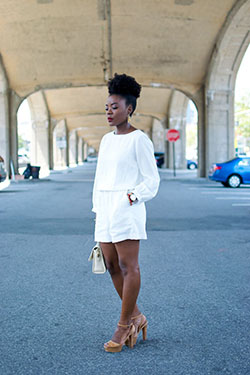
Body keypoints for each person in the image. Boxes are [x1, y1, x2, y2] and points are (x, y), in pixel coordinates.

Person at [92, 73, 160, 353]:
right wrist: (98, 209)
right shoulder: (107, 140)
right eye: (107, 107)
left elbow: (152, 180)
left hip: (127, 206)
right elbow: (100, 177)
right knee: (110, 265)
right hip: (105, 209)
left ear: (129, 109)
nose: (109, 112)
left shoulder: (139, 140)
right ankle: (136, 316)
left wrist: (130, 198)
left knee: (128, 266)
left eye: (115, 107)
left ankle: (123, 326)